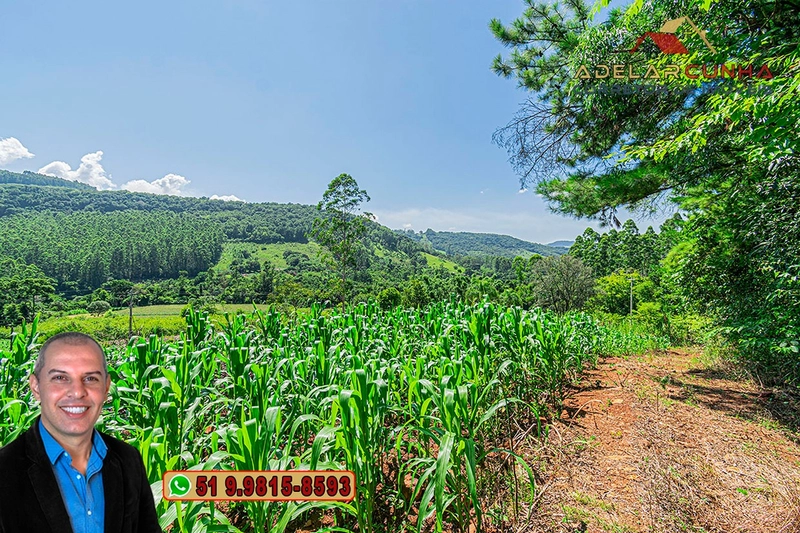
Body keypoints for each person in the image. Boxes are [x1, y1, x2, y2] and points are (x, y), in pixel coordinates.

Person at [0, 332, 162, 533]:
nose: (77, 392)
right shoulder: (4, 470)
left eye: (91, 378)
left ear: (106, 387)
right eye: (60, 378)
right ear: (36, 387)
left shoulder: (129, 460)